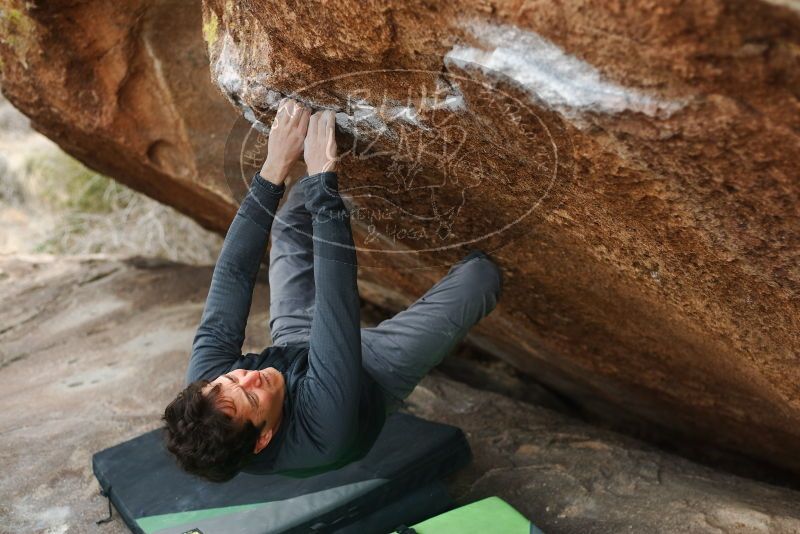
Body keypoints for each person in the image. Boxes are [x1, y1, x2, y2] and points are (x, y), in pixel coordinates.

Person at [162, 98, 503, 482]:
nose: (247, 377)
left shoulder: (209, 393)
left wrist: (273, 168)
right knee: (480, 280)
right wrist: (322, 178)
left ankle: (355, 171)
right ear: (264, 439)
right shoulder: (324, 427)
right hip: (369, 376)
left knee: (292, 222)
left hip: (295, 345)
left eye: (230, 379)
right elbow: (335, 303)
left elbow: (233, 276)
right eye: (252, 398)